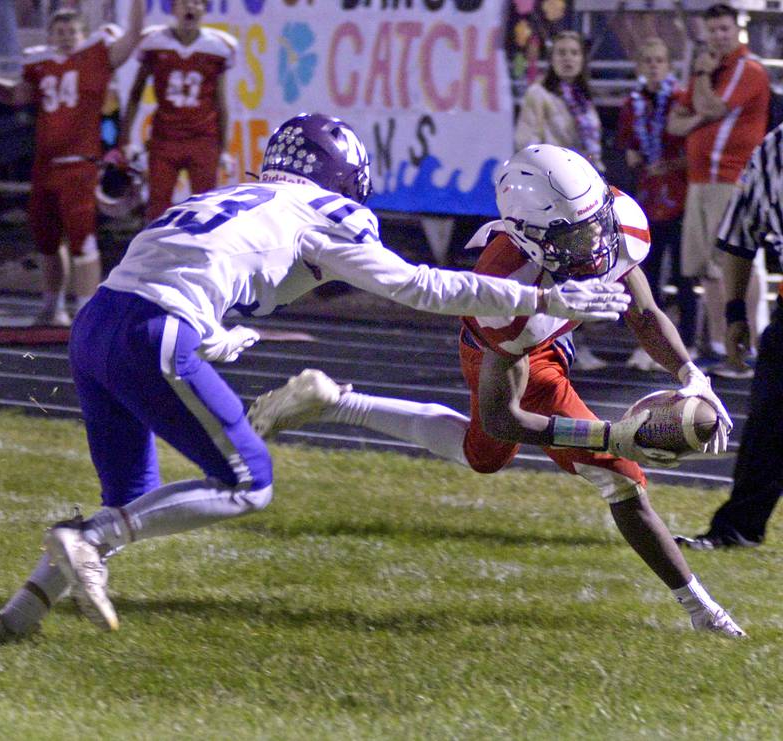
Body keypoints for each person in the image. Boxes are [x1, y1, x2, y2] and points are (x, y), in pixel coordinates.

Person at [0, 114, 632, 644]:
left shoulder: (226, 197)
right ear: (343, 181)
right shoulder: (328, 211)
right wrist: (549, 302)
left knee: (134, 494)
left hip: (97, 322)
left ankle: (18, 617)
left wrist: (211, 333)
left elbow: (175, 264)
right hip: (153, 327)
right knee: (248, 482)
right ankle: (87, 538)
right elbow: (420, 285)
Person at [249, 145, 745, 637]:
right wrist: (608, 437)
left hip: (551, 327)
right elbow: (501, 419)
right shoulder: (504, 295)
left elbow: (643, 313)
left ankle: (703, 612)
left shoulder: (610, 223)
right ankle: (338, 403)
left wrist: (690, 374)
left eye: (597, 224)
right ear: (529, 238)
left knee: (618, 482)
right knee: (495, 456)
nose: (595, 245)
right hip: (518, 350)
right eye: (574, 237)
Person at [0, 2, 144, 327]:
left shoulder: (97, 56)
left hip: (80, 166)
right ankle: (52, 305)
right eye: (59, 31)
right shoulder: (41, 64)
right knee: (46, 239)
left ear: (83, 33)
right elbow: (17, 95)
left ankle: (86, 311)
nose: (66, 36)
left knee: (83, 239)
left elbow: (132, 37)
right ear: (50, 35)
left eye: (72, 31)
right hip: (45, 166)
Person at [676, 123, 783, 550]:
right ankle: (737, 529)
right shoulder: (774, 149)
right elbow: (742, 235)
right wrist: (735, 310)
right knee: (767, 429)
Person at [667, 3, 769, 360]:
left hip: (732, 178)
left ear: (737, 30)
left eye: (724, 29)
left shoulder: (748, 69)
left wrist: (701, 86)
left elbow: (711, 109)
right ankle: (718, 346)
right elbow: (674, 124)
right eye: (713, 31)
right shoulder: (707, 71)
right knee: (706, 267)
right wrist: (701, 85)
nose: (718, 36)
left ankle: (750, 344)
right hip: (699, 180)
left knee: (735, 262)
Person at [514, 30, 607, 371]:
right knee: (559, 272)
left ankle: (573, 342)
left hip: (583, 196)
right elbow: (526, 141)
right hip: (554, 196)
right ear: (553, 59)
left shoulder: (582, 96)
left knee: (584, 270)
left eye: (574, 53)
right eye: (562, 53)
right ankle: (557, 345)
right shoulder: (540, 94)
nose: (568, 58)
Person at [617, 37, 697, 372]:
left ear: (669, 65)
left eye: (659, 60)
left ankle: (688, 344)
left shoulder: (680, 100)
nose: (653, 66)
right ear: (639, 66)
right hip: (647, 204)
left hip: (678, 200)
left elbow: (692, 149)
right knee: (646, 279)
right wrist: (632, 155)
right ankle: (650, 346)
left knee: (684, 276)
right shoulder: (631, 103)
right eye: (647, 60)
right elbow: (628, 146)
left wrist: (671, 166)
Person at [120, 0, 237, 222]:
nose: (190, 8)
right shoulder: (154, 43)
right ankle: (154, 256)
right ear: (173, 8)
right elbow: (136, 93)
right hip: (165, 138)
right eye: (184, 3)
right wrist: (124, 138)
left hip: (203, 138)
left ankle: (202, 256)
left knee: (204, 209)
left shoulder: (217, 47)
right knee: (157, 209)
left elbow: (220, 102)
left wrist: (223, 148)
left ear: (204, 9)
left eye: (197, 3)